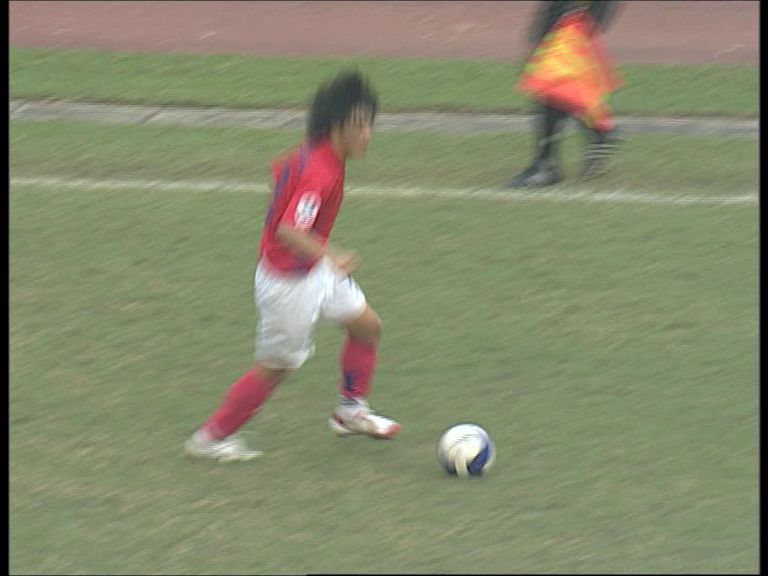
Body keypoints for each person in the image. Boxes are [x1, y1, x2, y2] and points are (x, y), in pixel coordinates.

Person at [185, 70, 400, 462]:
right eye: (360, 125)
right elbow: (289, 230)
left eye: (371, 124)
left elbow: (279, 173)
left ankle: (350, 411)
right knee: (276, 368)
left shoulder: (313, 153)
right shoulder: (321, 171)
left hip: (311, 270)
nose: (368, 134)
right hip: (289, 283)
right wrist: (331, 254)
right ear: (337, 125)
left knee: (367, 326)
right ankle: (210, 438)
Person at [507, 0, 622, 188]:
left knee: (553, 82)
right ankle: (599, 130)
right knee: (557, 83)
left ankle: (546, 164)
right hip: (567, 12)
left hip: (575, 13)